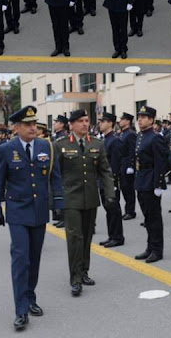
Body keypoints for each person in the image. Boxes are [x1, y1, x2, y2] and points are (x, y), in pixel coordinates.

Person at [0, 105, 63, 331]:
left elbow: (55, 177)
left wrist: (58, 203)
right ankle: (20, 309)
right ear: (17, 128)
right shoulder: (6, 149)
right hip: (17, 211)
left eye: (34, 124)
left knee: (34, 257)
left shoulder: (46, 146)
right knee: (21, 258)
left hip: (39, 210)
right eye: (27, 124)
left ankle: (30, 296)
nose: (33, 128)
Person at [54, 109, 116, 297]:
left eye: (86, 120)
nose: (84, 124)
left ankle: (84, 271)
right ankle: (75, 279)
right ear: (71, 125)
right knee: (75, 237)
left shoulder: (96, 143)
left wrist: (110, 194)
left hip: (90, 198)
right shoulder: (60, 145)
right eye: (80, 121)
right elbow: (55, 175)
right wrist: (56, 201)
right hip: (70, 198)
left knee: (87, 236)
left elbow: (105, 170)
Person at [133, 106, 169, 263]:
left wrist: (159, 184)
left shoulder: (155, 138)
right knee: (147, 217)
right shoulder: (140, 136)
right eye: (139, 117)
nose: (140, 120)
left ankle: (157, 250)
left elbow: (161, 162)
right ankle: (150, 247)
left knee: (154, 218)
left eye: (144, 117)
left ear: (151, 120)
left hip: (151, 180)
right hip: (141, 179)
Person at [98, 112, 125, 247]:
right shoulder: (105, 139)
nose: (100, 124)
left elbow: (115, 164)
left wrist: (113, 182)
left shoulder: (114, 140)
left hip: (110, 181)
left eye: (103, 121)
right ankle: (111, 235)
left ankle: (118, 237)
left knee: (114, 209)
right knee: (108, 209)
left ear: (110, 123)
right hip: (103, 180)